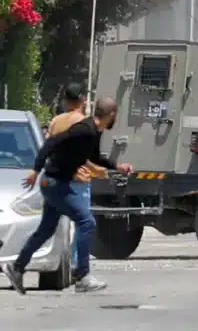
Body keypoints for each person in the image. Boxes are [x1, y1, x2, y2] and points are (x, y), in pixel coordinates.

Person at [2, 96, 131, 294]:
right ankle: (83, 276)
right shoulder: (84, 130)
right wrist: (36, 170)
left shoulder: (93, 133)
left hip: (57, 183)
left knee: (46, 230)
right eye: (116, 116)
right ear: (111, 115)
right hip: (54, 183)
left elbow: (94, 157)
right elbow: (51, 142)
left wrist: (117, 166)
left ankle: (17, 267)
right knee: (86, 221)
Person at [45, 83, 102, 276]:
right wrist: (100, 170)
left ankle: (53, 260)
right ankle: (78, 266)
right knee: (83, 223)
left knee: (55, 224)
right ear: (83, 100)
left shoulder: (55, 122)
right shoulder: (85, 123)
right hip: (79, 181)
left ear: (65, 101)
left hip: (58, 179)